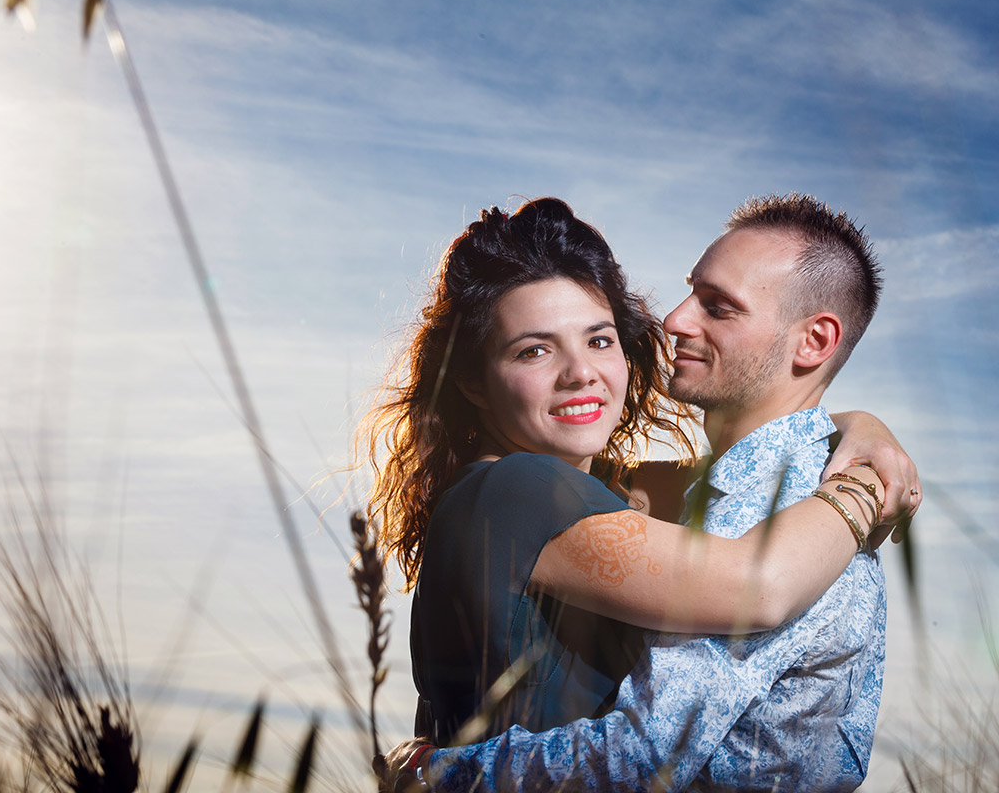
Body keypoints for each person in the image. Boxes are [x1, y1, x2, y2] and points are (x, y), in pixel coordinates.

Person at [364, 197, 916, 787]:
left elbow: (712, 474)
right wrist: (863, 484)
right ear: (473, 381)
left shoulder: (615, 488)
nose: (580, 371)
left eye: (599, 340)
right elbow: (756, 586)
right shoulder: (518, 489)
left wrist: (858, 429)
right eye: (533, 349)